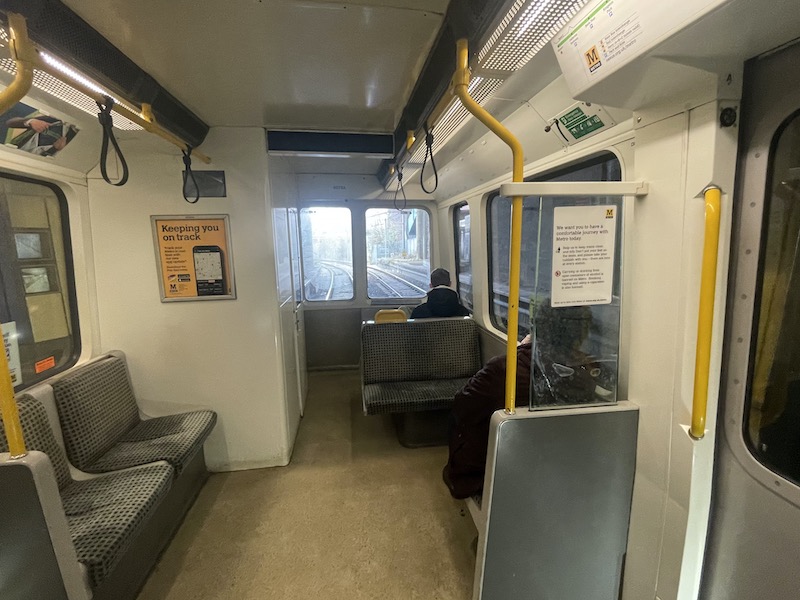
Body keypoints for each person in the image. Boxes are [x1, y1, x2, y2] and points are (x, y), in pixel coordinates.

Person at [442, 336, 532, 499]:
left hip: (497, 456)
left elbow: (463, 404)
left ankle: (461, 475)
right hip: (540, 454)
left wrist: (522, 348)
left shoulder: (503, 369)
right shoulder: (579, 376)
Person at [5, 115, 77, 156]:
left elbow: (10, 123)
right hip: (66, 141)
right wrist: (55, 149)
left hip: (58, 124)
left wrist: (31, 121)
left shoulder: (14, 146)